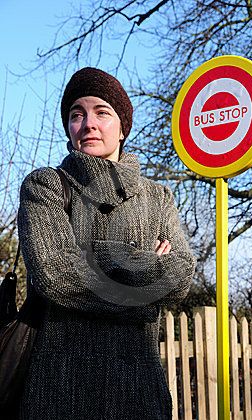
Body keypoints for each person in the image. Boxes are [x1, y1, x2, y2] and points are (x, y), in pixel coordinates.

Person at [17, 67, 196, 420]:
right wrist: (144, 272)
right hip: (60, 388)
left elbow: (181, 275)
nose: (88, 124)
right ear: (69, 129)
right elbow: (55, 273)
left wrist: (87, 256)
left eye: (102, 112)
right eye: (76, 114)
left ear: (123, 127)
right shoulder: (45, 186)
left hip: (141, 389)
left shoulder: (158, 198)